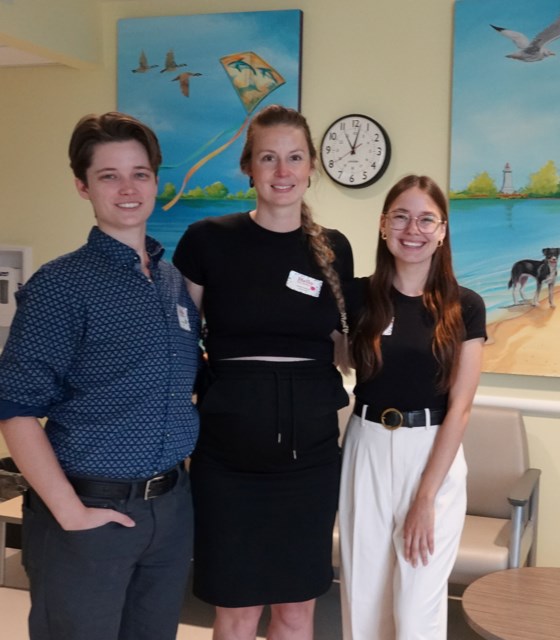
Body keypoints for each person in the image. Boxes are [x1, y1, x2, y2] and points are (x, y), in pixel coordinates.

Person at [0, 112, 200, 640]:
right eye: (109, 175)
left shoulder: (173, 281)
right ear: (82, 186)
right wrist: (70, 513)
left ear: (157, 181)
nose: (128, 188)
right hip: (88, 512)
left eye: (140, 173)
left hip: (169, 512)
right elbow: (15, 407)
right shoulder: (60, 286)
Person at [172, 105, 352, 640]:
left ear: (312, 166)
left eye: (294, 157)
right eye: (268, 158)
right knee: (236, 612)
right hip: (227, 460)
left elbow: (346, 344)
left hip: (311, 461)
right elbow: (177, 344)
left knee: (296, 610)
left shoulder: (333, 248)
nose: (282, 171)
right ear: (248, 167)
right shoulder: (207, 239)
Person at [339, 175, 486, 639]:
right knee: (364, 597)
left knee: (416, 604)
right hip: (365, 447)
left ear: (442, 231)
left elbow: (460, 407)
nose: (413, 229)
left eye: (426, 219)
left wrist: (425, 496)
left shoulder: (465, 306)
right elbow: (332, 355)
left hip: (432, 454)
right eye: (401, 216)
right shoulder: (359, 297)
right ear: (384, 225)